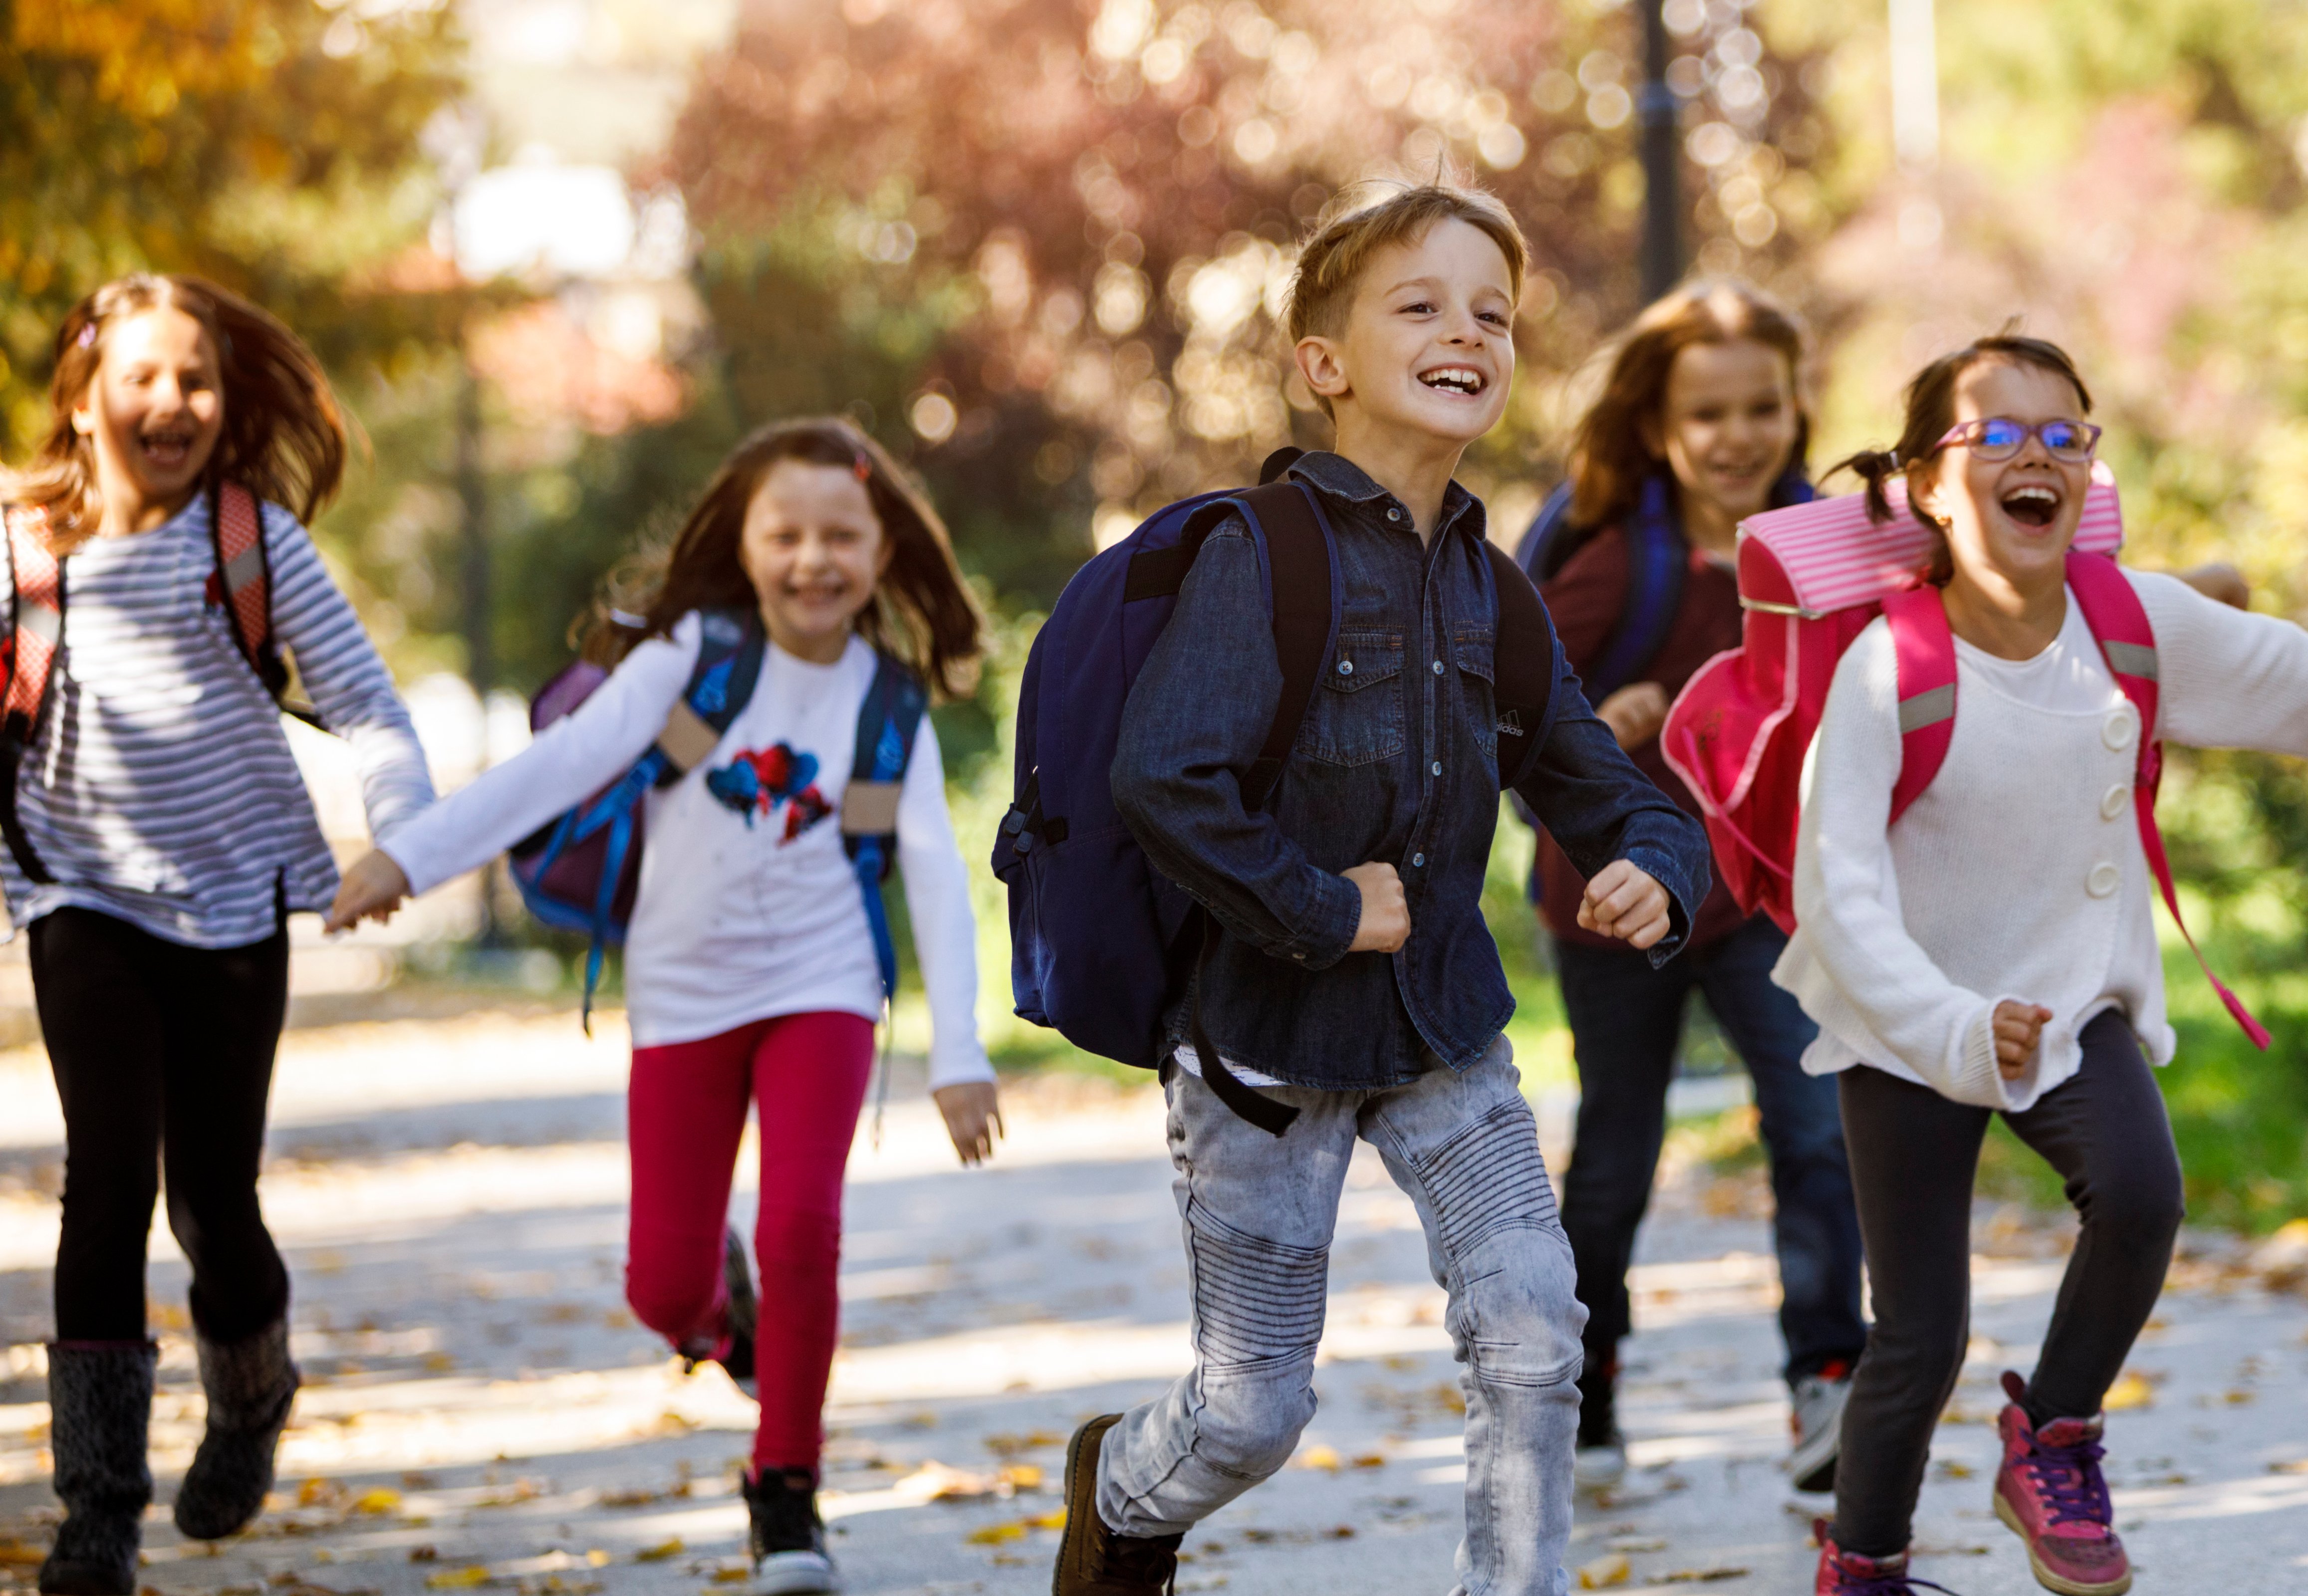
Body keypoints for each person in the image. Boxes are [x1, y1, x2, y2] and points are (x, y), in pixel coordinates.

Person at [1050, 181, 1711, 1596]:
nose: (1466, 330)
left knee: (1537, 1328)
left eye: (1493, 312)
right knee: (1251, 1411)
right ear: (1325, 366)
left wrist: (1654, 866)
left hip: (1443, 1030)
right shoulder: (1258, 556)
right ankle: (1118, 1492)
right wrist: (1323, 907)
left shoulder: (1495, 591)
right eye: (1420, 305)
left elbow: (1607, 786)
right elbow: (1166, 783)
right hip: (1260, 1053)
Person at [1781, 334, 2308, 1596]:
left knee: (2143, 1192)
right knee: (1918, 1337)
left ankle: (2054, 1434)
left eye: (2067, 433)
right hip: (1909, 1020)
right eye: (1995, 434)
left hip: (2067, 999)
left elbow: (2297, 678)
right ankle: (1868, 1565)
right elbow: (1835, 893)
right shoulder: (1889, 665)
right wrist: (1949, 1026)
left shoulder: (2133, 623)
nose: (2038, 455)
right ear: (1928, 486)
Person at [325, 418, 1003, 1596]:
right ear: (741, 545)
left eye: (841, 536)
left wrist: (959, 1053)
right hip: (685, 997)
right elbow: (558, 767)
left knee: (804, 1232)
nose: (813, 560)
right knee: (661, 1288)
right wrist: (411, 858)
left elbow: (937, 874)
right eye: (784, 534)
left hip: (822, 990)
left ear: (884, 550)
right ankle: (725, 1328)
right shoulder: (693, 657)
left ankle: (786, 1491)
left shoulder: (885, 701)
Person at [0, 275, 435, 1595]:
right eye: (139, 378)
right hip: (80, 896)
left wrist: (394, 840)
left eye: (196, 379)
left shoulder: (252, 541)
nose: (171, 403)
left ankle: (250, 1397)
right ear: (82, 404)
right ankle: (97, 1515)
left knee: (213, 1200)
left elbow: (371, 709)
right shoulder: (22, 547)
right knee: (105, 1184)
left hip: (239, 906)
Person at [1523, 281, 1867, 1493]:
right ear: (1660, 421)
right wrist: (1596, 726)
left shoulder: (1829, 542)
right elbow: (1512, 705)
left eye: (1761, 407)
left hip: (1765, 894)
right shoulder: (1623, 561)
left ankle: (1827, 1379)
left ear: (1796, 408)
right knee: (1618, 1150)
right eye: (1707, 411)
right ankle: (1587, 1371)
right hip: (1617, 896)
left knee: (1818, 1125)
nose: (1738, 435)